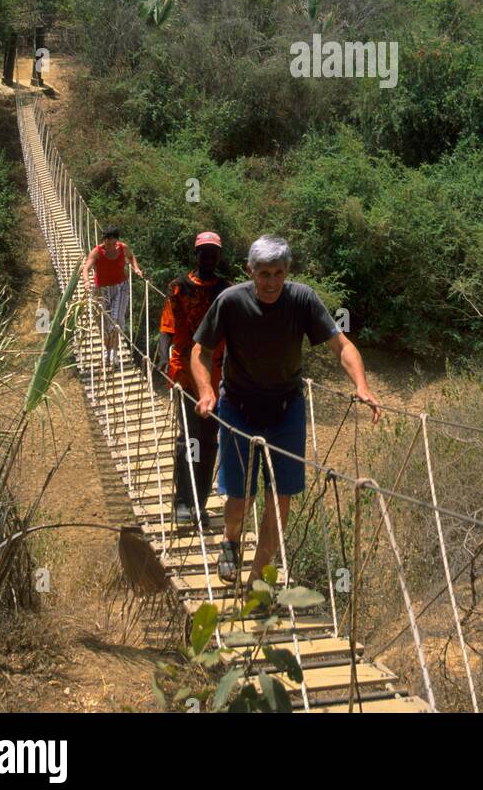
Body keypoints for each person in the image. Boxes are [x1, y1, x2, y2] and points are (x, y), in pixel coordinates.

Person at [190, 235, 381, 589]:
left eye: (278, 273)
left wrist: (361, 385)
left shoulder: (302, 299)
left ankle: (259, 575)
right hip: (237, 407)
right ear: (251, 271)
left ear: (287, 272)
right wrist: (205, 392)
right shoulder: (230, 302)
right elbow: (200, 351)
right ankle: (231, 540)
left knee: (280, 497)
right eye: (264, 273)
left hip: (286, 409)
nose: (271, 282)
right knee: (239, 498)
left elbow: (341, 346)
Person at [157, 232, 228, 529]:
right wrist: (161, 357)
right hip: (185, 375)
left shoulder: (227, 291)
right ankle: (182, 503)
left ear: (218, 256)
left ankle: (199, 503)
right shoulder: (178, 287)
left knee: (209, 442)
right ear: (196, 254)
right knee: (189, 440)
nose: (209, 258)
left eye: (213, 253)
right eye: (204, 252)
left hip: (216, 378)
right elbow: (166, 328)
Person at [81, 226, 143, 367]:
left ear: (117, 241)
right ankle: (107, 351)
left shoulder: (122, 248)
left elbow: (131, 257)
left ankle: (113, 353)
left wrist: (136, 268)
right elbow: (86, 268)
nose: (109, 245)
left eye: (112, 243)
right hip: (101, 290)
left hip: (121, 287)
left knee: (115, 321)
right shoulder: (97, 251)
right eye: (106, 242)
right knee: (103, 324)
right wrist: (86, 281)